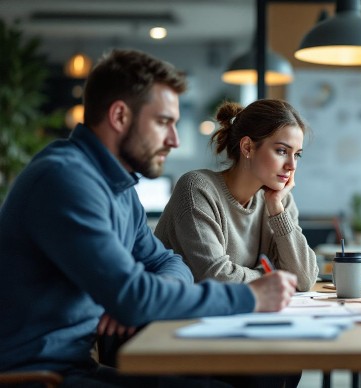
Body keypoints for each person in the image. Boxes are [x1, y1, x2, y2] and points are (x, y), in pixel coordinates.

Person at [0, 49, 297, 388]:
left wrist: (142, 297)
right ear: (120, 116)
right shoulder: (65, 180)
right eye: (163, 122)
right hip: (34, 376)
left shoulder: (118, 185)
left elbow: (165, 260)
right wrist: (251, 296)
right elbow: (133, 296)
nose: (174, 139)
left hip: (76, 365)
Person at [154, 99, 319, 291]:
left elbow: (304, 279)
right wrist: (272, 276)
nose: (292, 165)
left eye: (297, 154)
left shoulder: (280, 200)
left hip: (238, 313)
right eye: (282, 151)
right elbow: (217, 277)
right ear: (247, 147)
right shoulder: (197, 189)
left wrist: (277, 210)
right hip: (177, 316)